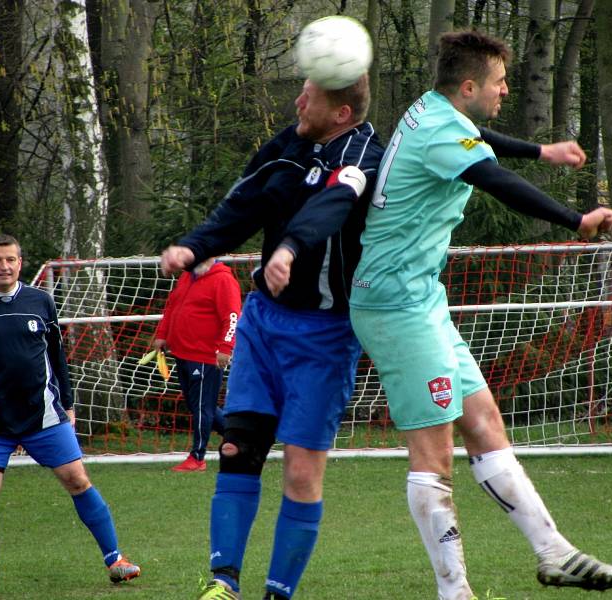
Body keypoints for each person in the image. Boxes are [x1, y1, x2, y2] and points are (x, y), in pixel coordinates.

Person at [349, 30, 612, 599]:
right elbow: (493, 179)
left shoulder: (435, 109)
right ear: (470, 86)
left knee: (483, 423)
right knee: (433, 456)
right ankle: (454, 593)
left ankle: (555, 554)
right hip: (394, 304)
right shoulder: (436, 131)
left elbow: (481, 140)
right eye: (499, 83)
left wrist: (541, 151)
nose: (505, 92)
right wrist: (574, 219)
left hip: (420, 298)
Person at [160, 74, 385, 600]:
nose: (298, 102)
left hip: (326, 336)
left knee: (302, 474)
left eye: (310, 97)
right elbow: (241, 207)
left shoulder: (365, 155)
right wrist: (192, 249)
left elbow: (327, 210)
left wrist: (287, 250)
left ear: (342, 114)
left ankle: (277, 593)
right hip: (264, 324)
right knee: (237, 446)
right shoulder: (286, 147)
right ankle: (223, 583)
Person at [0, 234, 140, 593]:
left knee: (77, 479)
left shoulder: (41, 301)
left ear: (21, 263)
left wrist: (70, 403)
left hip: (44, 414)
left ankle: (116, 560)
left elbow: (58, 356)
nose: (4, 266)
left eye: (11, 259)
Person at [154, 256, 242, 472]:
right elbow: (171, 307)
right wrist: (162, 334)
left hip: (206, 356)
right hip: (182, 352)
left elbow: (232, 316)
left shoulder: (223, 280)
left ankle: (197, 457)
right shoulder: (186, 276)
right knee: (201, 406)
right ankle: (241, 442)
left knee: (203, 408)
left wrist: (225, 347)